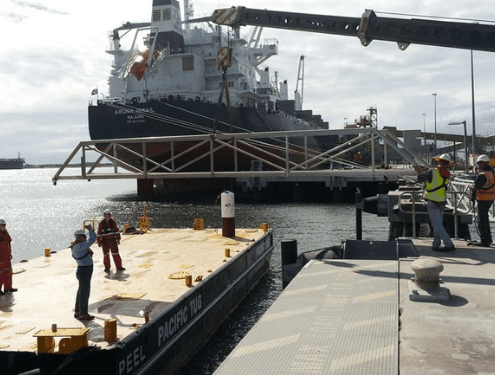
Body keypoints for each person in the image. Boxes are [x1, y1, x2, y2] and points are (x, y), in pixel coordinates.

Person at [414, 154, 455, 252]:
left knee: (436, 225)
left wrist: (419, 171)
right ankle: (436, 245)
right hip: (442, 201)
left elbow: (420, 179)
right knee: (438, 224)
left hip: (433, 201)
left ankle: (449, 244)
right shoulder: (447, 174)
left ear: (439, 161)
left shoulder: (432, 171)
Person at [71, 224, 96, 320]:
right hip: (85, 270)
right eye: (84, 237)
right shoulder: (81, 245)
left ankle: (78, 312)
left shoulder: (74, 246)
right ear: (80, 237)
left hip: (81, 269)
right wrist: (90, 229)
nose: (86, 238)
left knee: (81, 291)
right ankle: (83, 313)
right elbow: (92, 239)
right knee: (84, 292)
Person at [471, 154, 495, 247]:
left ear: (482, 164)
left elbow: (477, 187)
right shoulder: (491, 173)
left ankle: (485, 240)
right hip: (490, 199)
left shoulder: (482, 175)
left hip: (482, 199)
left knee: (481, 221)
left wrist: (471, 187)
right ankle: (488, 239)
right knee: (484, 219)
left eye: (478, 163)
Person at [0, 219, 17, 294]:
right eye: (2, 225)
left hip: (6, 256)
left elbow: (8, 243)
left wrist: (9, 253)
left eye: (4, 225)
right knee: (1, 273)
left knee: (8, 272)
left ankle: (8, 288)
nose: (3, 227)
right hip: (1, 257)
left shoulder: (5, 233)